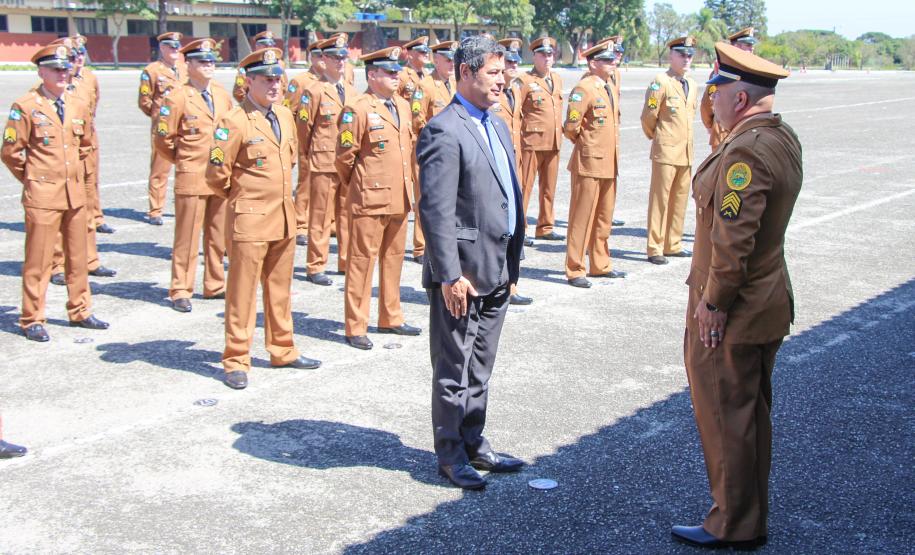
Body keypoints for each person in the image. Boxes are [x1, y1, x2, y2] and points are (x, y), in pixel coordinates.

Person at [672, 42, 799, 550]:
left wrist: (713, 303)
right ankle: (748, 516)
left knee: (726, 417)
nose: (713, 101)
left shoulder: (744, 153)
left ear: (740, 99)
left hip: (735, 309)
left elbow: (733, 238)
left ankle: (732, 524)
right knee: (748, 417)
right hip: (767, 301)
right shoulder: (779, 137)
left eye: (718, 92)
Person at [417, 36, 526, 490]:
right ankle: (450, 454)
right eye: (494, 73)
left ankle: (474, 441)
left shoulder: (497, 124)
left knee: (481, 365)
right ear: (465, 73)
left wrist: (512, 263)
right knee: (453, 368)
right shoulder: (444, 129)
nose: (504, 80)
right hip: (462, 274)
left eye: (504, 73)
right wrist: (449, 274)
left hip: (497, 267)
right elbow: (435, 209)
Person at [206, 47, 321, 390]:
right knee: (242, 293)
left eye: (278, 78)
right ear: (248, 81)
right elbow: (215, 174)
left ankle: (282, 349)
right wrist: (243, 200)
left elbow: (292, 163)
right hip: (250, 220)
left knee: (280, 290)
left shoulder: (285, 116)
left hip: (283, 218)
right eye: (266, 79)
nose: (274, 85)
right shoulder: (234, 121)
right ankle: (236, 358)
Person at [1, 44, 110, 342]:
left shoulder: (77, 104)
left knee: (77, 257)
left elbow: (86, 144)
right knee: (39, 259)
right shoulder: (26, 106)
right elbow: (11, 152)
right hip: (43, 196)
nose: (63, 74)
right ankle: (32, 317)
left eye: (66, 69)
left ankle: (81, 310)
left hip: (74, 194)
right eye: (56, 69)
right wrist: (34, 178)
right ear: (41, 72)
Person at [335, 46, 422, 350]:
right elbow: (344, 157)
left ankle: (391, 317)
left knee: (394, 260)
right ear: (372, 75)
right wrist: (358, 186)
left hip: (399, 196)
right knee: (361, 263)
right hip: (369, 199)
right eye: (389, 72)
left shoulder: (403, 105)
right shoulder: (357, 109)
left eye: (397, 71)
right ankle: (355, 325)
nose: (396, 75)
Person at [155, 38, 233, 313]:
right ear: (188, 64)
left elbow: (229, 133)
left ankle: (215, 283)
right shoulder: (176, 97)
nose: (209, 65)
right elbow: (163, 138)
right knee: (186, 237)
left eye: (211, 61)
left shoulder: (222, 95)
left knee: (217, 235)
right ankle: (180, 288)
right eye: (202, 61)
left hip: (219, 175)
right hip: (191, 175)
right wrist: (184, 160)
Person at [47, 37, 117, 287]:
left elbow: (91, 111)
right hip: (59, 165)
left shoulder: (88, 79)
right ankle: (57, 264)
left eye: (80, 54)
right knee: (59, 216)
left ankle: (90, 260)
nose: (77, 59)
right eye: (72, 56)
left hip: (85, 155)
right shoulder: (53, 87)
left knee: (86, 211)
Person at [562, 40, 626, 289]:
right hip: (588, 162)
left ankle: (600, 263)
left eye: (613, 59)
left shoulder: (609, 85)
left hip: (609, 162)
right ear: (593, 63)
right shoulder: (584, 88)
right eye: (608, 60)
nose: (613, 63)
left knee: (603, 216)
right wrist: (587, 145)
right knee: (581, 217)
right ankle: (575, 268)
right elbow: (571, 127)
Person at [298, 35, 356, 286]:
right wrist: (312, 154)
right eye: (335, 57)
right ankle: (316, 264)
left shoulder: (352, 91)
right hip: (323, 161)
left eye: (344, 57)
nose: (341, 61)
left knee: (346, 214)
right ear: (324, 60)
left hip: (348, 162)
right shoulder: (313, 92)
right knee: (320, 216)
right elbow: (304, 129)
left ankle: (345, 260)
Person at [640, 36, 698, 265]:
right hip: (665, 151)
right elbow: (648, 117)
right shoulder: (660, 82)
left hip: (685, 152)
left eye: (690, 55)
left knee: (680, 199)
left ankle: (673, 243)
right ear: (671, 55)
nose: (686, 59)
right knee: (660, 200)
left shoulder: (691, 84)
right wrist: (659, 138)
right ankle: (655, 247)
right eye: (682, 54)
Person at [492, 38, 533, 306]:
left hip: (513, 163)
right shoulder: (492, 94)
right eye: (510, 62)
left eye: (518, 61)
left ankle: (511, 284)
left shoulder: (515, 92)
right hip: (496, 168)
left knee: (514, 225)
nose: (515, 65)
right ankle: (499, 284)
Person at [409, 40, 457, 265]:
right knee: (425, 198)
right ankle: (420, 246)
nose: (451, 64)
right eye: (446, 59)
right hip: (429, 151)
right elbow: (417, 119)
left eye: (453, 60)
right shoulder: (425, 86)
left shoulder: (456, 83)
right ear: (435, 59)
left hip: (452, 151)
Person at [518, 37, 564, 243]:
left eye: (550, 54)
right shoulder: (525, 81)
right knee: (525, 187)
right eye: (543, 55)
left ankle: (545, 226)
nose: (547, 58)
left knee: (549, 188)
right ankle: (521, 228)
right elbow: (516, 111)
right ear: (534, 56)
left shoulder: (557, 78)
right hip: (532, 142)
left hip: (553, 142)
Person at [138, 32, 186, 226]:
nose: (174, 50)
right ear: (162, 48)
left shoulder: (184, 69)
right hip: (164, 127)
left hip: (184, 126)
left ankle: (181, 206)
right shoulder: (152, 71)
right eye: (170, 47)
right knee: (160, 168)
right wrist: (160, 118)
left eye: (177, 47)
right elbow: (145, 101)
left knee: (185, 168)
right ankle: (155, 210)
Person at [284, 38, 327, 246]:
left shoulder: (337, 78)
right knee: (306, 183)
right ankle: (300, 223)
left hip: (328, 142)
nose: (322, 60)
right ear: (311, 57)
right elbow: (288, 111)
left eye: (324, 55)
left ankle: (328, 223)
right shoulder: (300, 81)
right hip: (305, 138)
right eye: (318, 55)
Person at [397, 36, 434, 265]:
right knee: (418, 194)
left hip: (425, 143)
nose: (425, 55)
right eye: (420, 52)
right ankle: (419, 246)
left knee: (429, 193)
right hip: (412, 140)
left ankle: (425, 243)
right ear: (409, 53)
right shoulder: (401, 76)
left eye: (426, 52)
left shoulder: (428, 79)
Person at [701, 28, 758, 149]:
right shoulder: (722, 73)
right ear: (735, 47)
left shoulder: (754, 73)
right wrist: (712, 126)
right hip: (723, 136)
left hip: (746, 134)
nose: (751, 48)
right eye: (747, 45)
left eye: (752, 45)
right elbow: (707, 104)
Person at [233, 31, 289, 103]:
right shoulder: (248, 65)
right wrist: (252, 106)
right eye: (265, 45)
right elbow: (238, 93)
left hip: (277, 109)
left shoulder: (280, 64)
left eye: (271, 44)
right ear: (257, 46)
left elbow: (284, 87)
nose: (269, 47)